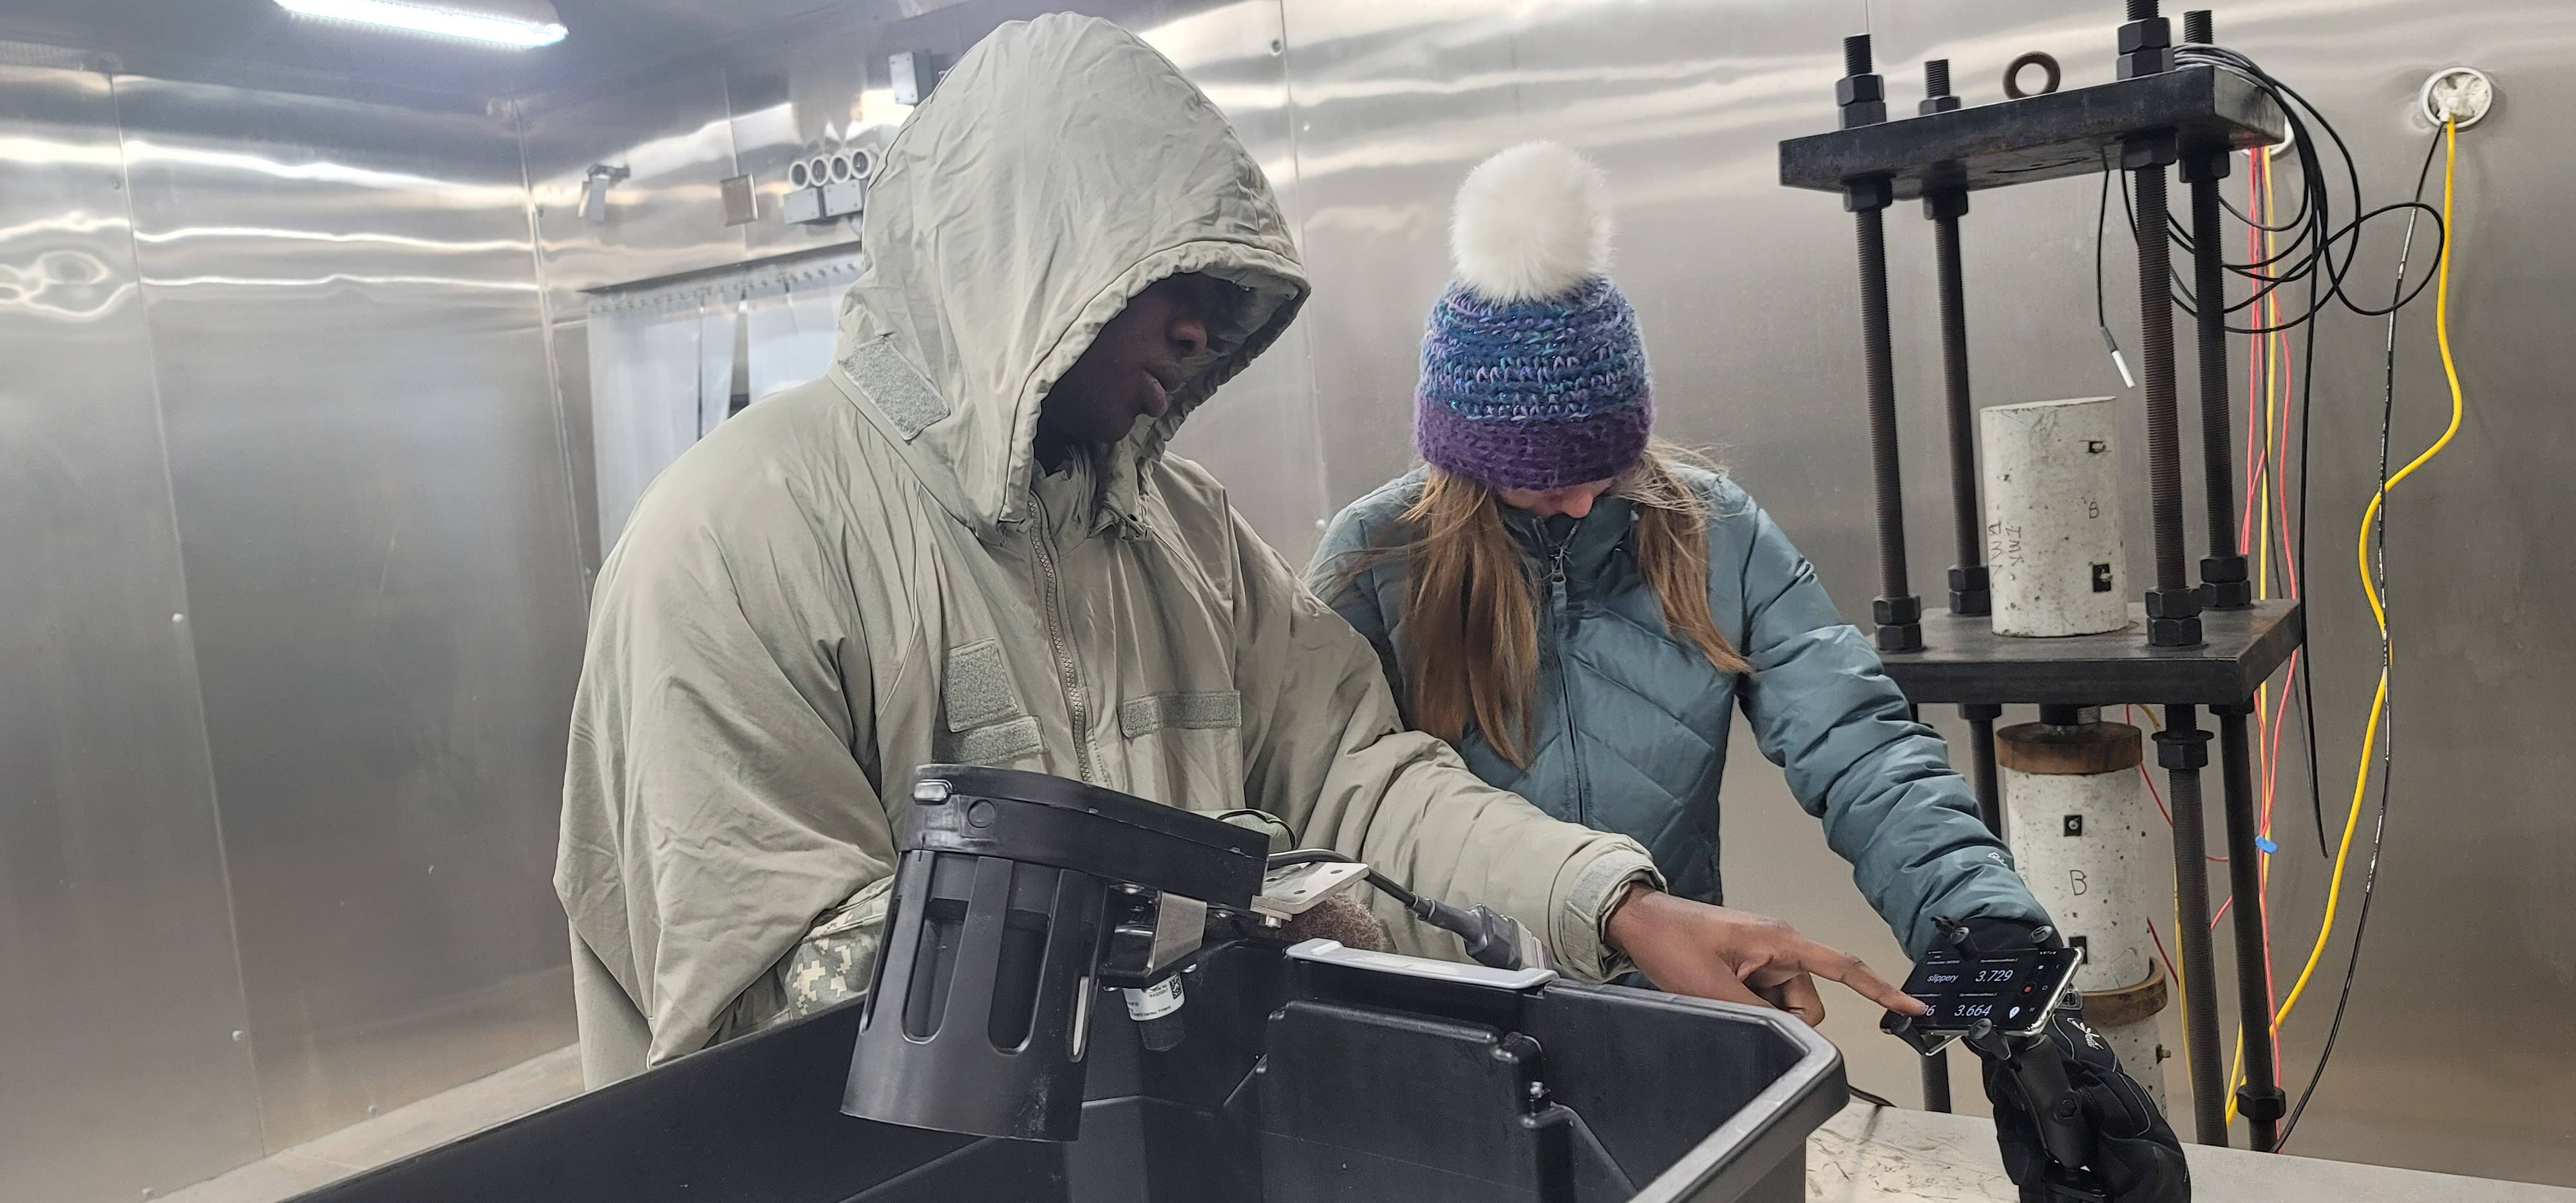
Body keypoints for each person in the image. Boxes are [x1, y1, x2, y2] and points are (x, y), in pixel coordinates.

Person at [554, 16, 1920, 1091]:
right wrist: (1237, 914)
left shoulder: (1183, 538)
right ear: (1033, 263)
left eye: (1228, 298)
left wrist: (1618, 906)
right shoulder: (739, 540)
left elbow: (1358, 777)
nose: (1206, 332)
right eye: (1174, 285)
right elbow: (776, 1004)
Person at [1309, 142, 2185, 1200]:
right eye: (1547, 485)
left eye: (1608, 467)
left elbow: (1861, 748)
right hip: (1441, 1055)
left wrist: (1991, 942)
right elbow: (1338, 818)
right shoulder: (1375, 565)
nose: (1586, 504)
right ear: (1466, 466)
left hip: (1675, 1028)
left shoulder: (1707, 533)